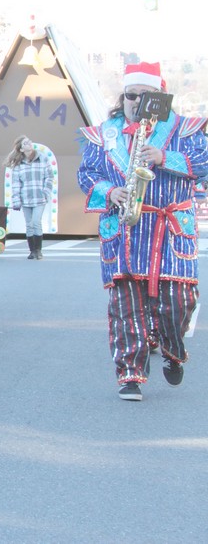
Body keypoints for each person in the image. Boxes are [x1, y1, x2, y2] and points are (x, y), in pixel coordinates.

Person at [77, 61, 208, 402]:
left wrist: (166, 156)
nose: (136, 101)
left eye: (145, 95)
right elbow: (87, 174)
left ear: (160, 97)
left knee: (179, 302)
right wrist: (109, 191)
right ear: (123, 97)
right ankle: (130, 374)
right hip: (125, 229)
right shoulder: (102, 134)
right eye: (131, 95)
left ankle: (171, 348)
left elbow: (205, 163)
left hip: (170, 229)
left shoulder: (188, 129)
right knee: (125, 304)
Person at [6, 135, 53, 259]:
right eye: (26, 143)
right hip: (25, 197)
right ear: (21, 149)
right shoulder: (18, 164)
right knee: (29, 224)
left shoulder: (42, 158)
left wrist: (46, 191)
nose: (29, 144)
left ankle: (38, 250)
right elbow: (16, 183)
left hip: (39, 197)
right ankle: (32, 250)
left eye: (29, 142)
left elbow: (49, 176)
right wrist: (16, 200)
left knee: (36, 222)